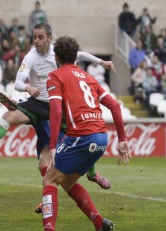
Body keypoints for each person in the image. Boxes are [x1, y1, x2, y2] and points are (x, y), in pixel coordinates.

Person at [0, 23, 116, 211]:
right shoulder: (31, 56)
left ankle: (92, 174)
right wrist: (28, 87)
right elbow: (18, 82)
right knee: (10, 117)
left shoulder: (58, 53)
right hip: (37, 103)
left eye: (40, 37)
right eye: (34, 37)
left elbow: (80, 55)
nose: (36, 41)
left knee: (82, 133)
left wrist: (101, 62)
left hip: (57, 106)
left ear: (49, 38)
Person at [43, 35, 130, 231]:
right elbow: (115, 106)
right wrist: (122, 140)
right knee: (66, 181)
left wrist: (54, 144)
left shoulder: (55, 76)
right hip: (101, 139)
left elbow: (56, 111)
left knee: (49, 179)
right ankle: (99, 223)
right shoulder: (89, 78)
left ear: (56, 56)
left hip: (81, 136)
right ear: (76, 57)